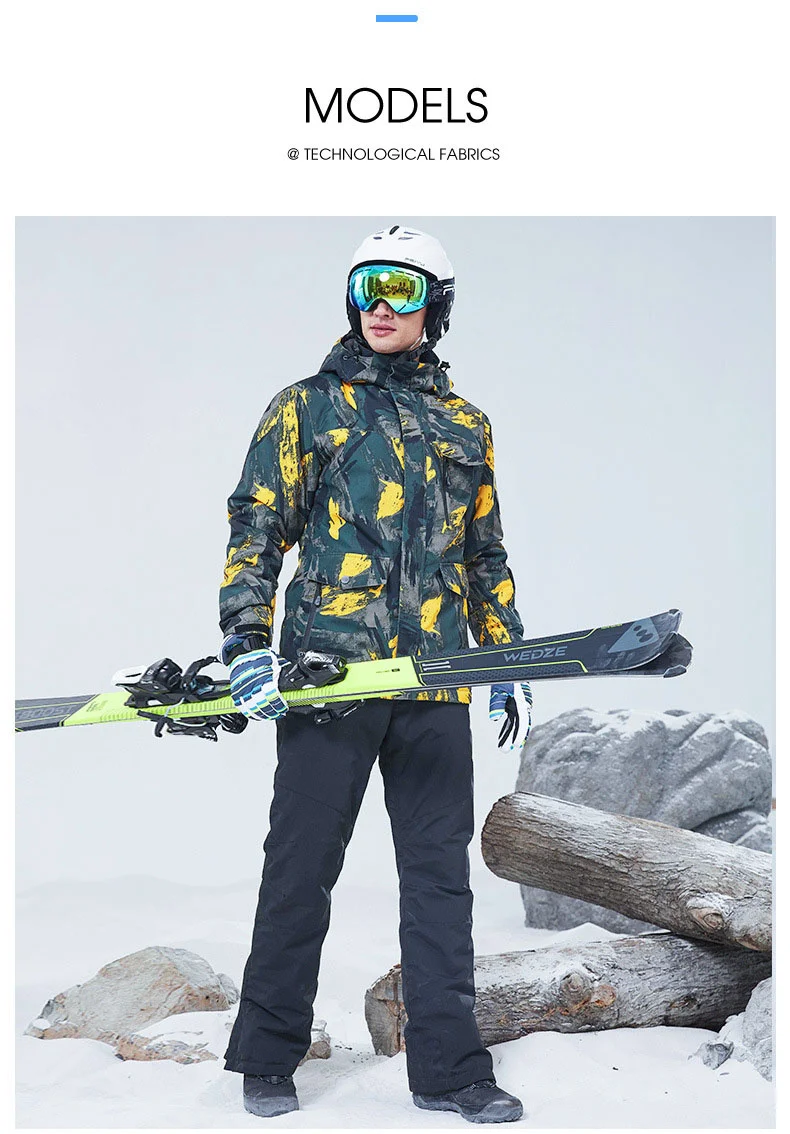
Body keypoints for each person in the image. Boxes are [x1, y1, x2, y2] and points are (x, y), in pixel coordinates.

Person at [218, 225, 532, 1123]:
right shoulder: (305, 407)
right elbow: (257, 528)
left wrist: (506, 655)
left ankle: (451, 1072)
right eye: (367, 287)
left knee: (440, 883)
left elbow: (483, 551)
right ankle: (267, 1056)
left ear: (437, 305)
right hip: (329, 680)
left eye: (402, 288)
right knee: (299, 869)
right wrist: (246, 642)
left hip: (434, 680)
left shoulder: (466, 424)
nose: (382, 306)